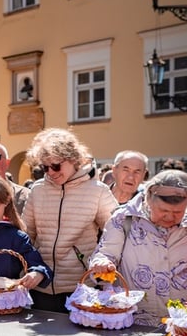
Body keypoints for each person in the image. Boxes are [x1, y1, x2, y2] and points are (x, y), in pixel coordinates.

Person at [87, 170, 187, 326]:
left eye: (178, 212)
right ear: (149, 199)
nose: (170, 217)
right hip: (136, 322)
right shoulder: (124, 220)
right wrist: (102, 264)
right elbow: (105, 253)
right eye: (163, 210)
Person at [22, 128, 119, 312]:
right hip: (40, 286)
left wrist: (101, 265)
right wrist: (32, 269)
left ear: (74, 159)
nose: (50, 172)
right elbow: (27, 235)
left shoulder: (97, 191)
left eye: (56, 166)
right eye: (45, 167)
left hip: (80, 288)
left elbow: (115, 233)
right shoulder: (37, 190)